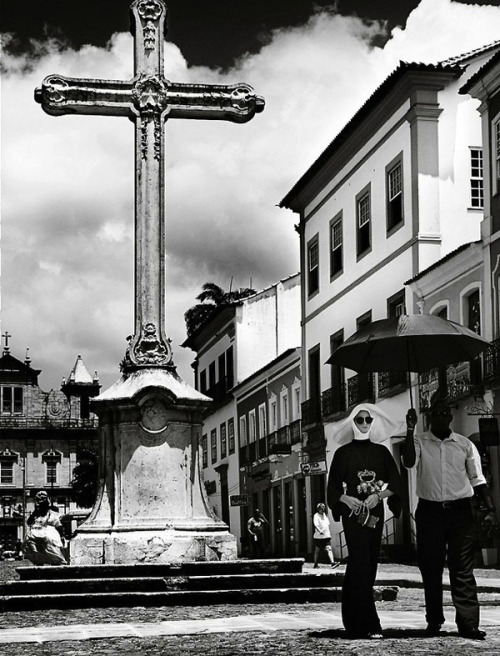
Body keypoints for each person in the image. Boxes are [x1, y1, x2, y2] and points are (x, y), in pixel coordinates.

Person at [403, 394, 498, 640]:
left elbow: (478, 481)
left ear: (451, 415)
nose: (442, 415)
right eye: (437, 412)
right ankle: (434, 620)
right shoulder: (419, 442)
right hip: (430, 512)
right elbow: (408, 462)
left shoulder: (465, 444)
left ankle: (468, 624)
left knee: (463, 569)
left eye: (445, 412)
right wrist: (409, 428)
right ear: (430, 415)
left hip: (460, 512)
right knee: (431, 569)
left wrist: (490, 511)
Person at [327, 403, 403, 639]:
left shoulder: (382, 453)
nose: (363, 424)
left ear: (373, 423)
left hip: (375, 516)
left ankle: (352, 620)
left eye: (367, 420)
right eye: (359, 420)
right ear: (352, 423)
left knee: (368, 565)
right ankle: (370, 623)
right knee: (361, 563)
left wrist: (377, 496)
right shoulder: (342, 454)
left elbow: (396, 484)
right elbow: (332, 490)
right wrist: (346, 499)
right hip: (353, 518)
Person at [23, 491, 68, 566]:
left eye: (42, 505)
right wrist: (34, 513)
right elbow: (29, 522)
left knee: (50, 543)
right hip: (36, 535)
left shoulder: (52, 515)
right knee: (29, 541)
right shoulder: (36, 515)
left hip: (49, 535)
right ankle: (38, 561)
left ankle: (55, 562)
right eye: (39, 505)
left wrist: (62, 537)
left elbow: (59, 526)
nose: (40, 507)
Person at [313, 503, 339, 569]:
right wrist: (320, 531)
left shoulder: (325, 515)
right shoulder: (316, 516)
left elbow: (327, 524)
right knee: (317, 550)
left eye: (323, 508)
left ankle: (332, 563)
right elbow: (316, 525)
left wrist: (328, 534)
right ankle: (315, 563)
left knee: (329, 549)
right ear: (318, 509)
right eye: (321, 508)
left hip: (326, 536)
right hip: (319, 537)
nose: (322, 509)